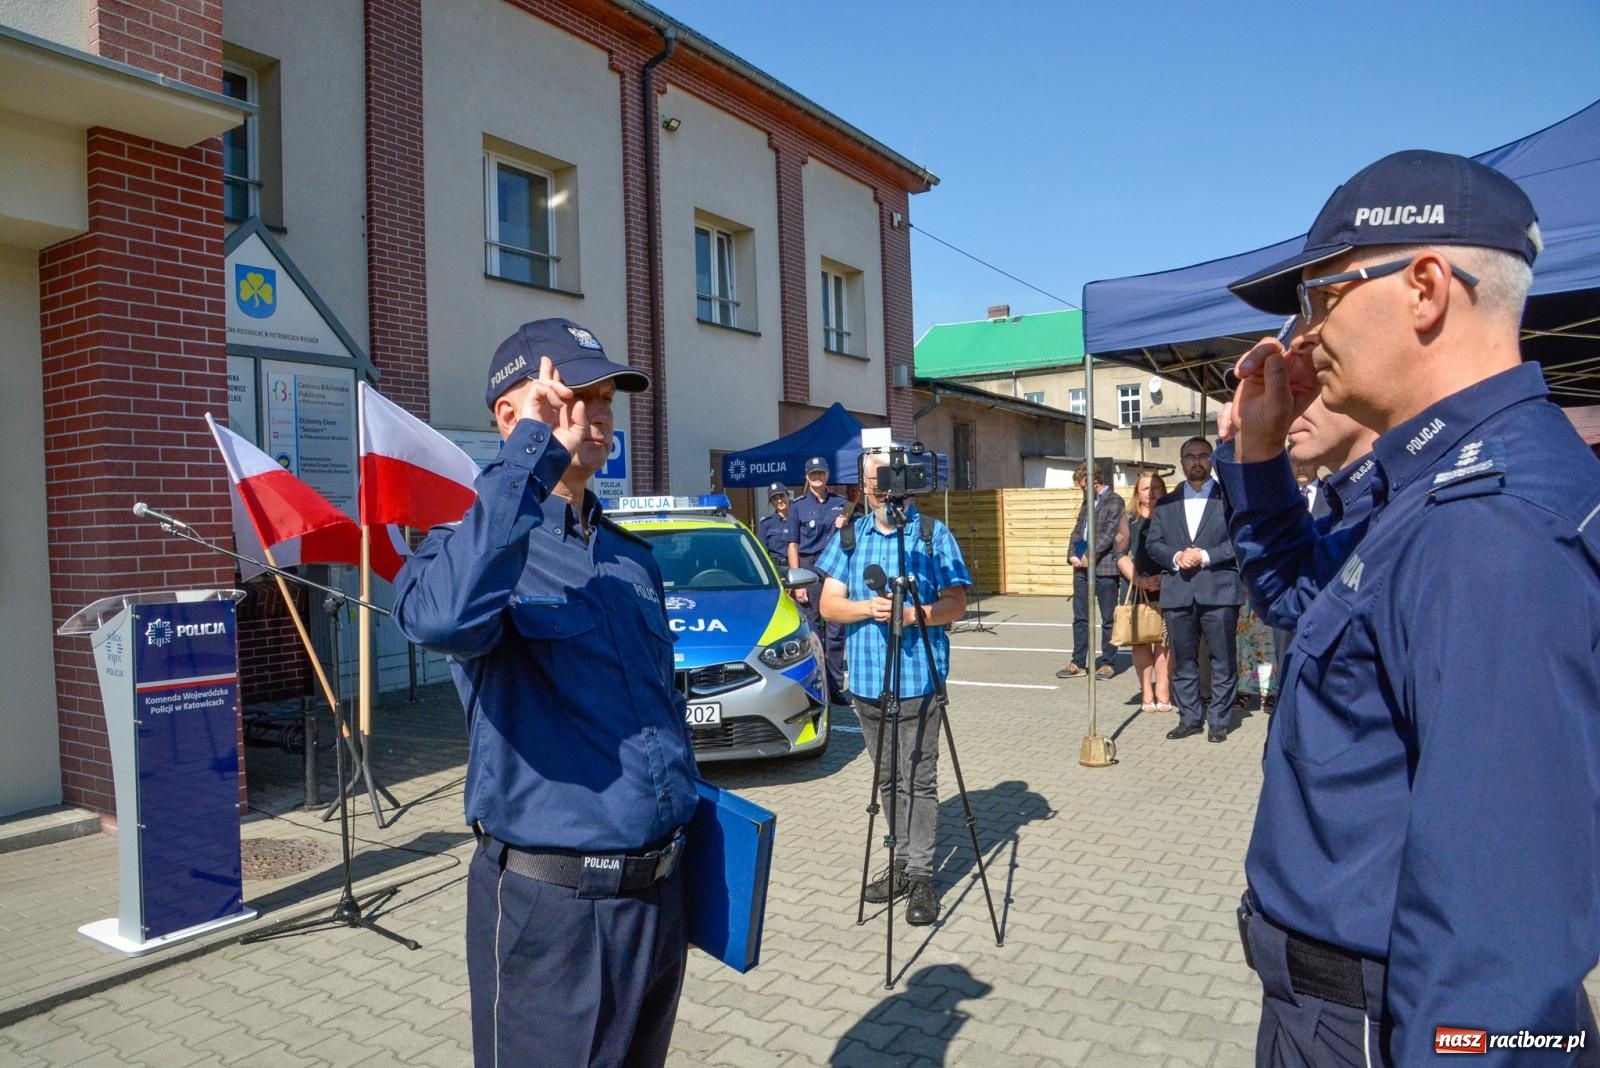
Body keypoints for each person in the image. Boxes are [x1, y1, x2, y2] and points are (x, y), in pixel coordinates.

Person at [1220, 150, 1600, 1065]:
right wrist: (1262, 456)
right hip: (1332, 1008)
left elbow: (1498, 948)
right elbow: (1302, 599)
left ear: (1425, 287)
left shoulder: (1490, 528)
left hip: (1370, 1023)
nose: (1302, 337)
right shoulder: (1431, 486)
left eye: (1322, 298)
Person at [393, 319, 697, 1068]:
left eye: (606, 398)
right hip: (553, 915)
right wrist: (529, 453)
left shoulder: (631, 560)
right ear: (511, 413)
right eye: (572, 394)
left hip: (653, 902)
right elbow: (440, 619)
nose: (596, 413)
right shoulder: (473, 552)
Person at [816, 447, 972, 926]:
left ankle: (922, 877)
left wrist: (913, 615)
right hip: (865, 680)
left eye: (889, 480)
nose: (883, 490)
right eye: (873, 481)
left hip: (919, 678)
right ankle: (901, 862)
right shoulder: (849, 537)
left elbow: (957, 603)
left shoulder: (931, 536)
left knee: (919, 779)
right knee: (887, 778)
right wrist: (869, 608)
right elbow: (827, 605)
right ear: (863, 486)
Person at [1144, 437, 1244, 742]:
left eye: (1203, 456)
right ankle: (1189, 718)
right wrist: (1176, 556)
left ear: (1211, 460)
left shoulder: (1229, 499)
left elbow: (1240, 539)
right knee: (1183, 659)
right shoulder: (1166, 503)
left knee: (1222, 659)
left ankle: (1219, 721)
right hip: (1179, 591)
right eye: (1190, 457)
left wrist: (1205, 555)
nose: (1196, 461)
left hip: (1219, 589)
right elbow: (1152, 543)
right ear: (1181, 462)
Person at [790, 456, 850, 704]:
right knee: (812, 632)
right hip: (809, 569)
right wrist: (797, 583)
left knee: (835, 631)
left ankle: (835, 688)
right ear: (806, 477)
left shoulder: (842, 503)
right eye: (813, 473)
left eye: (821, 473)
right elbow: (792, 545)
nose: (817, 477)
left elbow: (850, 539)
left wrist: (846, 525)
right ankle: (815, 687)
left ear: (827, 475)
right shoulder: (797, 506)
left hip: (835, 568)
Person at [1056, 462, 1124, 680]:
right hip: (1082, 569)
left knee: (1108, 619)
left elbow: (1108, 534)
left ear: (1096, 482)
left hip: (1105, 568)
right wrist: (1075, 555)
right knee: (1080, 618)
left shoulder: (1114, 501)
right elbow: (1078, 531)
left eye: (1084, 485)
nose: (1081, 489)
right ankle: (1078, 662)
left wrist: (1089, 555)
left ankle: (1107, 663)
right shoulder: (1086, 503)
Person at [1114, 471, 1172, 713]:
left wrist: (1166, 577)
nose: (1151, 493)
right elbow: (1119, 553)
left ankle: (1163, 690)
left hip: (1166, 584)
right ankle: (1146, 690)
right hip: (1136, 588)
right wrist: (1137, 579)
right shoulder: (1129, 518)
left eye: (1156, 488)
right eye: (1146, 489)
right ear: (1138, 492)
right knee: (1140, 643)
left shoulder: (1171, 516)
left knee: (1164, 643)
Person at [756, 482, 795, 573]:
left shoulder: (799, 519)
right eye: (774, 499)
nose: (779, 501)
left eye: (781, 496)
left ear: (787, 496)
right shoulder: (766, 524)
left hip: (797, 566)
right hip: (776, 569)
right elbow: (763, 553)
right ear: (771, 503)